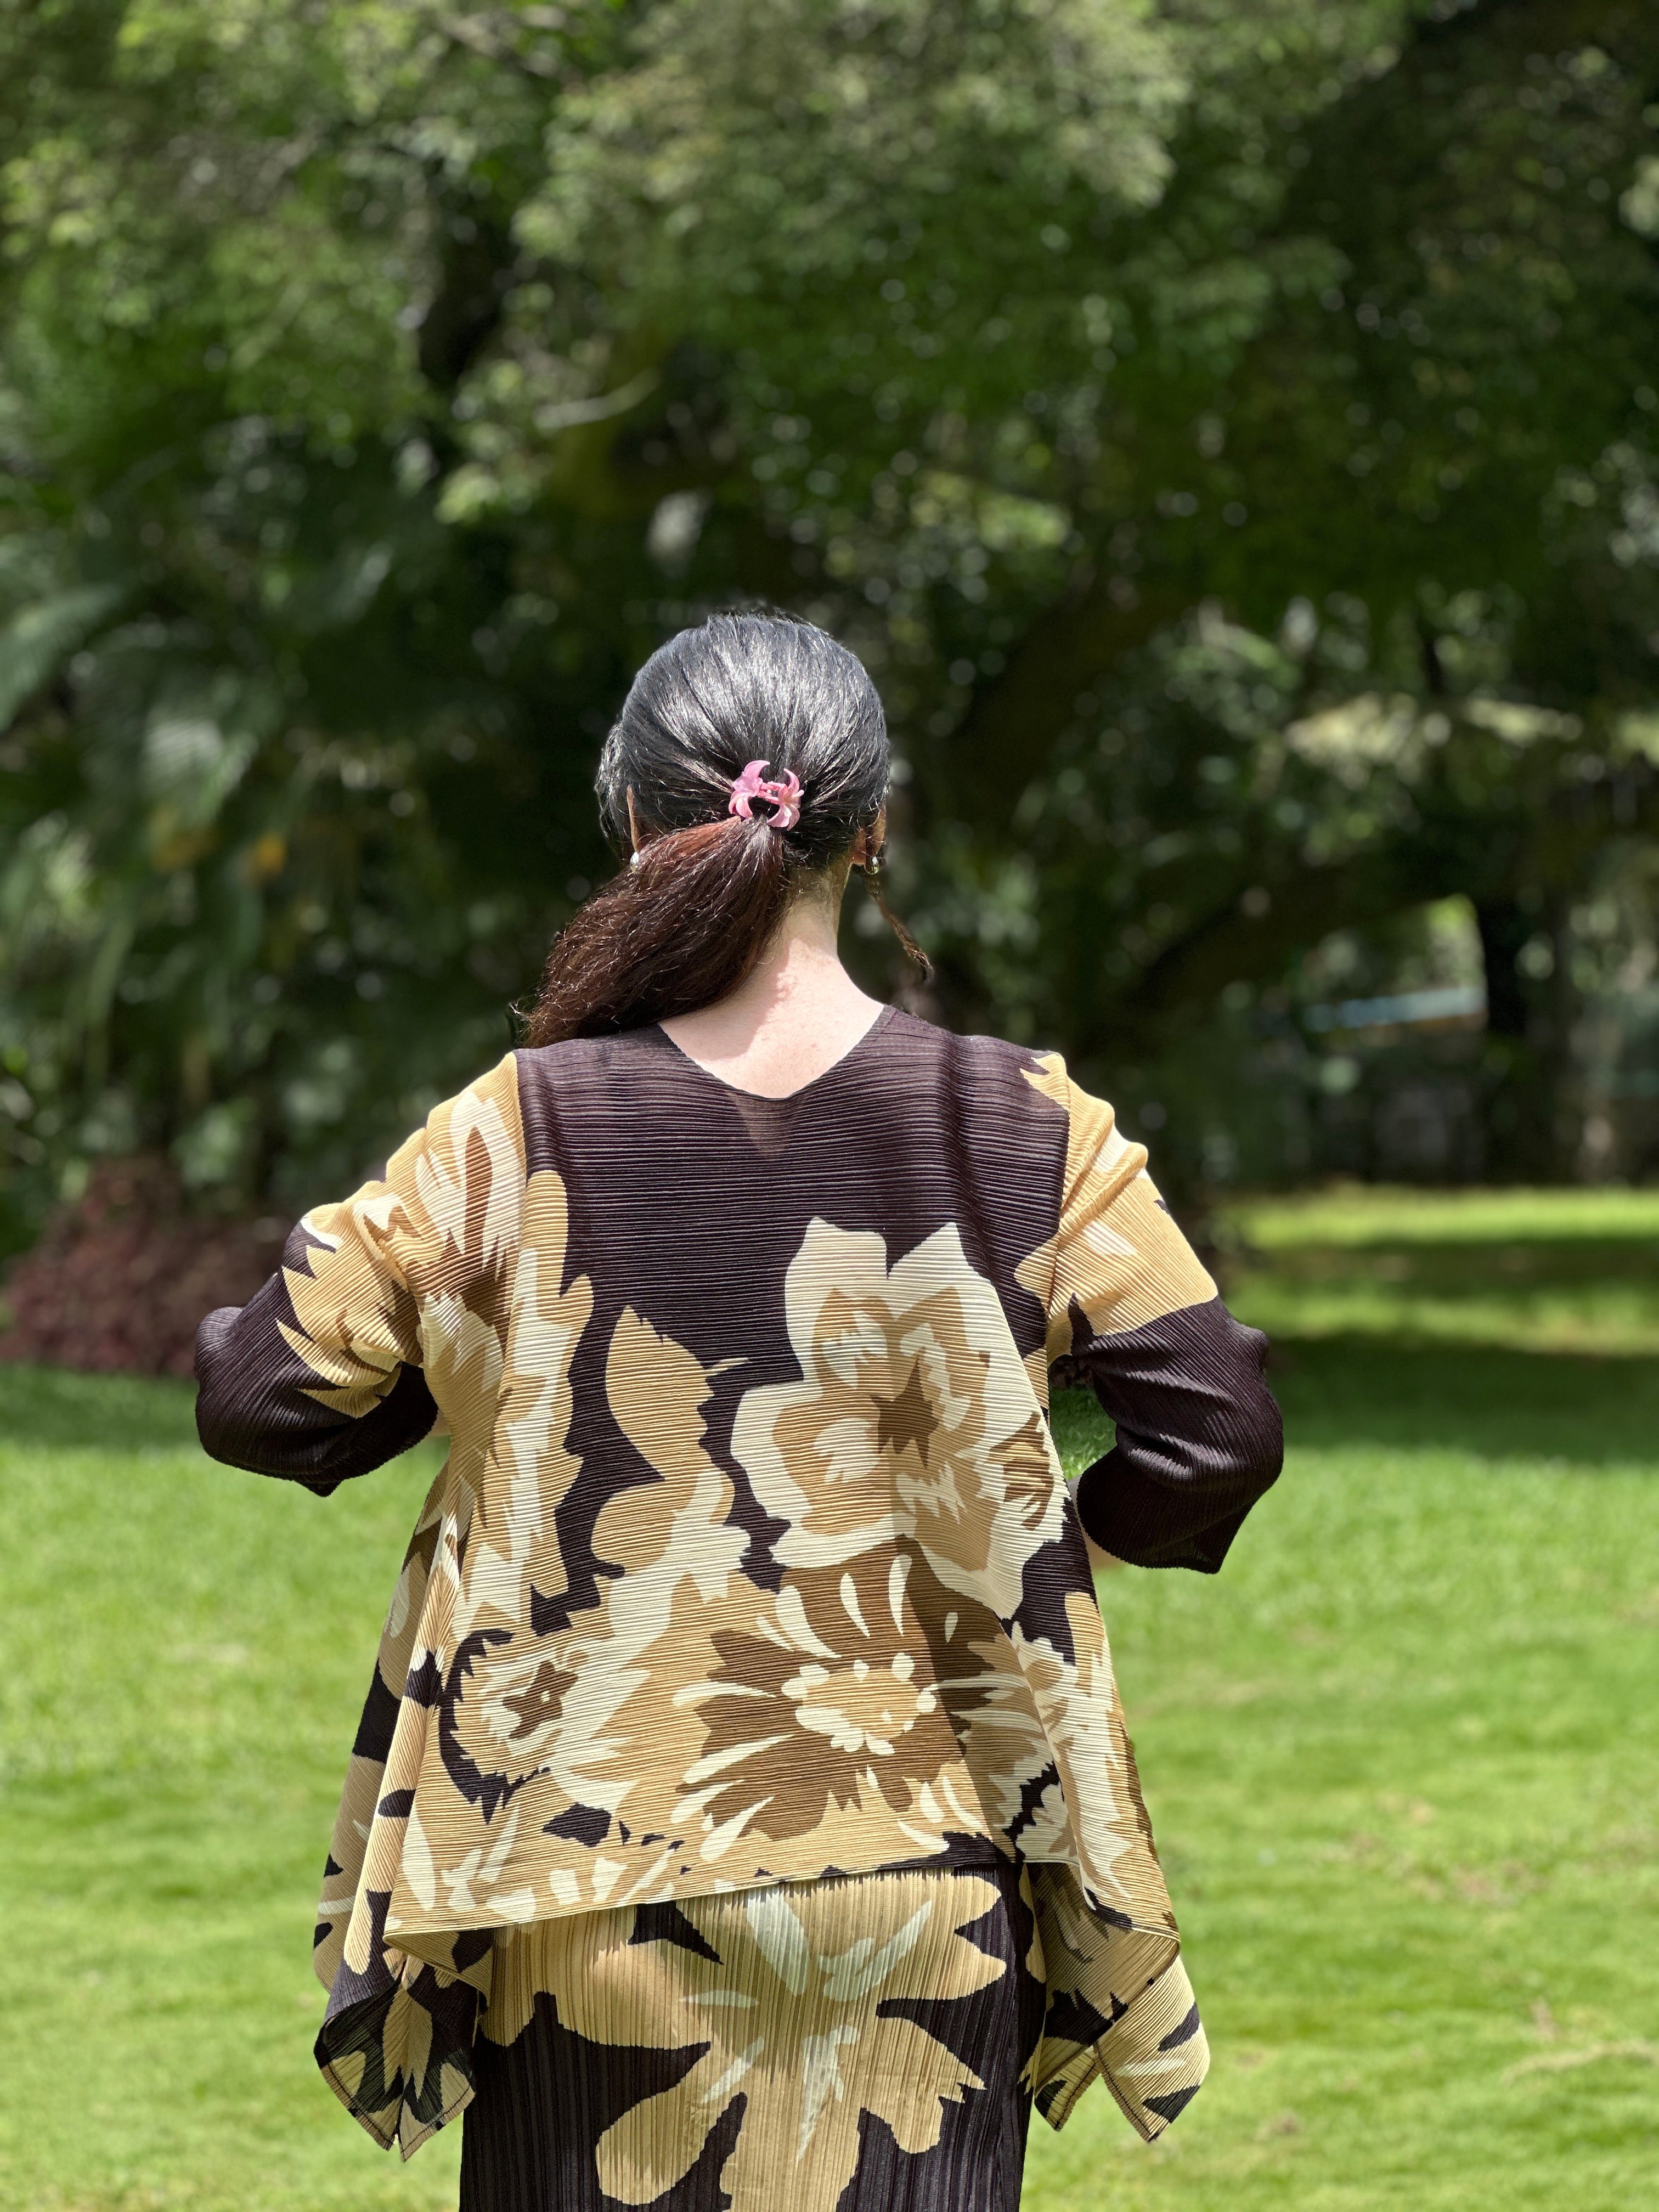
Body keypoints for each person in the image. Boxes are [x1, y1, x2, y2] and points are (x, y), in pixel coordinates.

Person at [195, 611, 1282, 2212]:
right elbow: (1218, 1430)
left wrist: (468, 1398)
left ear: (637, 826)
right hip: (933, 1866)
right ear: (875, 831)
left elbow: (263, 1387)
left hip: (589, 1870)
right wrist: (1053, 1544)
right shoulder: (1024, 1124)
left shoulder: (523, 1126)